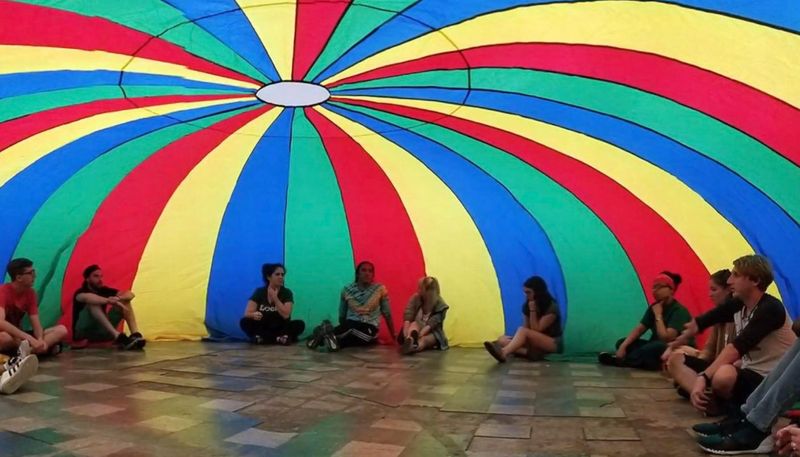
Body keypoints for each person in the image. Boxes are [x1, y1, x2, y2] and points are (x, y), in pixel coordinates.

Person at [668, 255, 797, 454]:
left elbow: (736, 348)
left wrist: (704, 376)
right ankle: (739, 419)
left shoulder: (771, 308)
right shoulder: (739, 305)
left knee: (724, 372)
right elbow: (709, 318)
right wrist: (691, 330)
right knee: (677, 358)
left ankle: (749, 425)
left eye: (735, 275)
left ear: (754, 281)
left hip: (763, 376)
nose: (729, 281)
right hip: (758, 376)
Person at [598, 271, 692, 370]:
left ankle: (622, 361)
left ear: (671, 290)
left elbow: (666, 338)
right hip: (653, 347)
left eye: (660, 287)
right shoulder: (654, 307)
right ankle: (638, 360)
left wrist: (658, 315)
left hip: (672, 349)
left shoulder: (679, 311)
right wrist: (623, 346)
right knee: (622, 342)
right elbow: (639, 329)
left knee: (657, 347)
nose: (655, 291)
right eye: (654, 287)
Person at [665, 269, 735, 403]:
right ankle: (702, 394)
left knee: (659, 351)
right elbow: (709, 350)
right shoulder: (718, 318)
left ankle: (706, 398)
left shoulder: (740, 315)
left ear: (728, 290)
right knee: (677, 356)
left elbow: (668, 335)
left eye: (714, 290)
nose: (710, 295)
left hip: (729, 371)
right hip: (715, 367)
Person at [484, 276, 563, 363]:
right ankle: (529, 353)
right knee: (502, 340)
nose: (526, 295)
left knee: (521, 332)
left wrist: (533, 311)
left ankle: (504, 352)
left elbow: (536, 329)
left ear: (538, 292)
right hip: (535, 341)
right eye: (525, 292)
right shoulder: (527, 305)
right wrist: (517, 339)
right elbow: (526, 328)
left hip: (552, 342)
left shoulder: (551, 307)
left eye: (529, 292)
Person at [0, 258, 67, 357]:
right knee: (4, 337)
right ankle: (35, 352)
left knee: (61, 330)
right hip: (9, 335)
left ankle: (29, 352)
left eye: (34, 272)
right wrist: (30, 339)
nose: (34, 276)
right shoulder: (3, 292)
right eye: (31, 273)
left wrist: (39, 339)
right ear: (19, 278)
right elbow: (0, 322)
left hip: (20, 337)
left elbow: (36, 322)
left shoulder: (31, 293)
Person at [73, 265, 145, 350]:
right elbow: (89, 298)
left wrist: (119, 298)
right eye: (96, 276)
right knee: (93, 303)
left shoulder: (104, 290)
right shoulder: (80, 292)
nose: (99, 279)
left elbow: (130, 294)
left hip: (102, 332)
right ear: (87, 279)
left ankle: (135, 335)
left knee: (125, 301)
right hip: (84, 333)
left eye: (101, 276)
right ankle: (118, 336)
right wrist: (109, 300)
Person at [331, 261, 396, 348]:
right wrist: (343, 326)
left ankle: (330, 336)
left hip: (369, 327)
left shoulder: (380, 289)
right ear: (358, 274)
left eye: (370, 271)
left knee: (358, 334)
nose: (367, 273)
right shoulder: (347, 290)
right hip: (350, 323)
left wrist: (393, 336)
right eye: (364, 270)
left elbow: (387, 314)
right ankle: (332, 339)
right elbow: (342, 314)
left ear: (373, 275)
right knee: (350, 331)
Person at [240, 263, 305, 345]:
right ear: (268, 277)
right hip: (263, 325)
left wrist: (275, 298)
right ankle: (279, 339)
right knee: (244, 322)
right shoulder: (259, 292)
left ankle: (263, 339)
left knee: (300, 324)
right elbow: (247, 313)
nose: (281, 277)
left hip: (281, 326)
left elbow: (286, 315)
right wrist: (253, 315)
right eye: (277, 274)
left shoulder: (287, 293)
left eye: (282, 274)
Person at [398, 276, 449, 355]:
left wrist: (419, 335)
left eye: (420, 288)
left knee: (424, 340)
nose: (418, 290)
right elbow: (408, 314)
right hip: (414, 328)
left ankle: (413, 347)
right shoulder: (416, 298)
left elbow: (430, 325)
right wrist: (406, 334)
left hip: (432, 332)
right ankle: (411, 339)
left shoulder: (441, 306)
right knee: (414, 324)